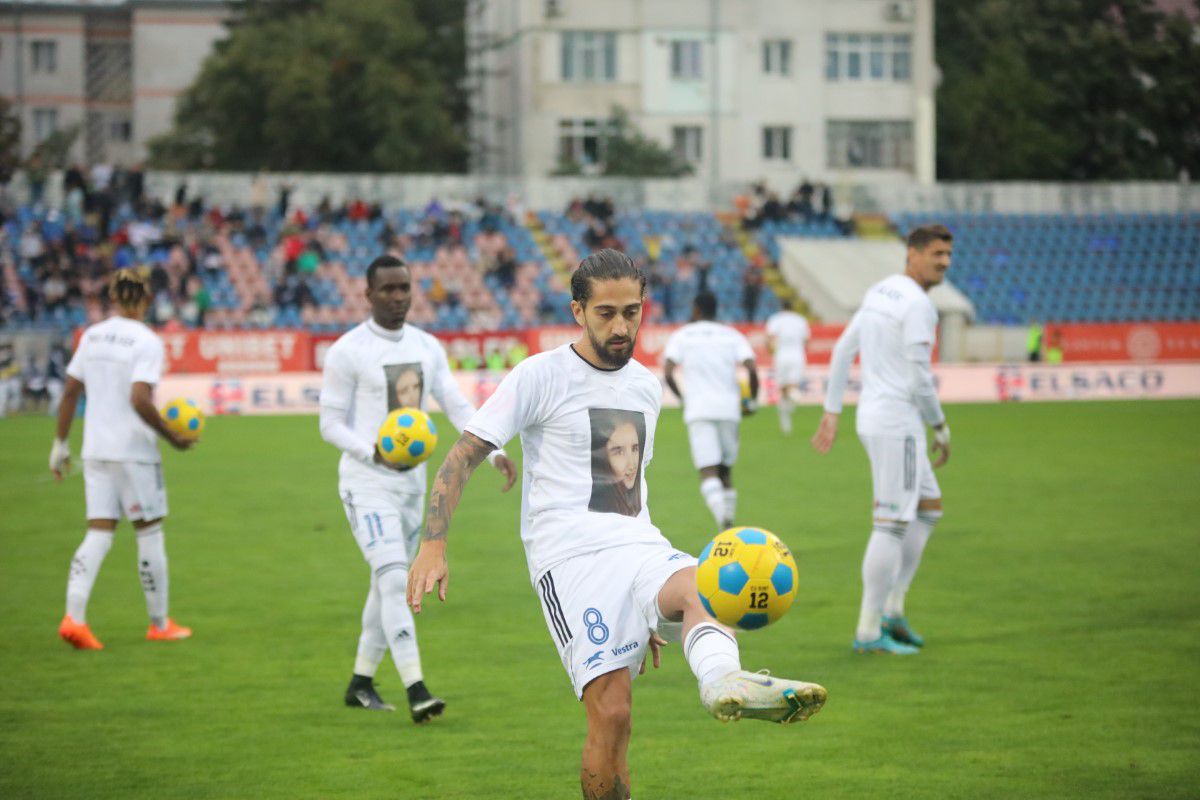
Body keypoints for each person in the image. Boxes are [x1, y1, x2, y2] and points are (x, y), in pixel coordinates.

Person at [406, 250, 826, 800]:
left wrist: (644, 602)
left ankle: (725, 679)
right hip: (571, 561)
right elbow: (463, 454)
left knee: (706, 586)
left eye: (632, 311)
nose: (622, 325)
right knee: (613, 715)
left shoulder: (647, 387)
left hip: (638, 544)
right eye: (606, 313)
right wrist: (432, 543)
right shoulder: (540, 375)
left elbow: (633, 492)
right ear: (578, 311)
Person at [319, 254, 518, 722]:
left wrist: (493, 451)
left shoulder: (427, 346)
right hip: (367, 483)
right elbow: (329, 423)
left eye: (404, 288)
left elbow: (454, 403)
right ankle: (417, 689)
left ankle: (360, 682)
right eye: (387, 289)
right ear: (368, 295)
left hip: (413, 488)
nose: (397, 296)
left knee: (382, 583)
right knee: (393, 579)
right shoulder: (348, 350)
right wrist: (375, 453)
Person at [811, 224, 953, 655]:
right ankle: (870, 631)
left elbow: (841, 350)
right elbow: (919, 378)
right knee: (890, 525)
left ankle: (892, 609)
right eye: (936, 254)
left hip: (874, 415)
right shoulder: (918, 305)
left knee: (928, 508)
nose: (944, 262)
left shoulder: (881, 291)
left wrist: (833, 410)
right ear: (912, 254)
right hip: (897, 422)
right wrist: (940, 426)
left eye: (948, 255)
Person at [50, 268, 195, 650]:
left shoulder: (92, 335)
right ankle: (159, 623)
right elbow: (139, 399)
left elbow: (69, 392)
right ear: (146, 300)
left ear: (112, 298)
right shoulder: (146, 340)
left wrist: (59, 445)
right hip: (134, 452)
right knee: (148, 532)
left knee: (98, 532)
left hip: (95, 448)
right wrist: (172, 437)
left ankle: (74, 618)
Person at [662, 291, 758, 532]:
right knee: (726, 470)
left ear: (695, 310)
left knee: (708, 470)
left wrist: (683, 398)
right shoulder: (732, 335)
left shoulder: (682, 335)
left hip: (699, 409)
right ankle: (730, 522)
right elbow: (752, 369)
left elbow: (668, 370)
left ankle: (722, 522)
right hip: (729, 409)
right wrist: (752, 401)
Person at [765, 298, 812, 435]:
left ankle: (785, 417)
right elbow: (806, 340)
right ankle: (792, 402)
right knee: (792, 385)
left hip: (781, 355)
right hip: (798, 355)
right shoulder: (800, 320)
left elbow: (769, 338)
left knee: (784, 388)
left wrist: (770, 350)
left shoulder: (775, 319)